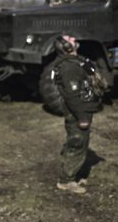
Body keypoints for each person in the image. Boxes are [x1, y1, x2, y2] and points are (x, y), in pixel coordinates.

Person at [51, 34, 102, 194]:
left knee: (80, 142)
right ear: (65, 47)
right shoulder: (69, 68)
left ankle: (75, 173)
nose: (73, 39)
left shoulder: (75, 62)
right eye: (69, 39)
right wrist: (82, 117)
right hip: (77, 112)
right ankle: (66, 180)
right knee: (77, 143)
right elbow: (72, 97)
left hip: (82, 109)